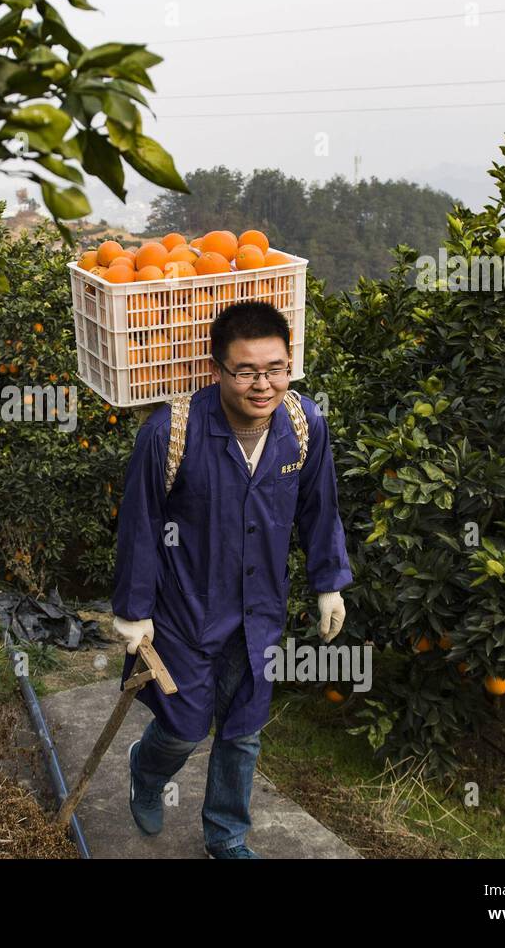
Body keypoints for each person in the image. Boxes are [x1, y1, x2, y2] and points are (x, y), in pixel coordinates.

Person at [111, 300, 352, 859]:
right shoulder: (172, 431)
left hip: (259, 609)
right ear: (217, 369)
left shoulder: (303, 424)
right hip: (185, 608)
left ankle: (227, 837)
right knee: (184, 726)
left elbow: (321, 509)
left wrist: (328, 582)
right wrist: (133, 608)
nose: (262, 385)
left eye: (275, 369)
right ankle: (146, 772)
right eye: (245, 371)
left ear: (290, 364)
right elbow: (140, 522)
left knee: (243, 732)